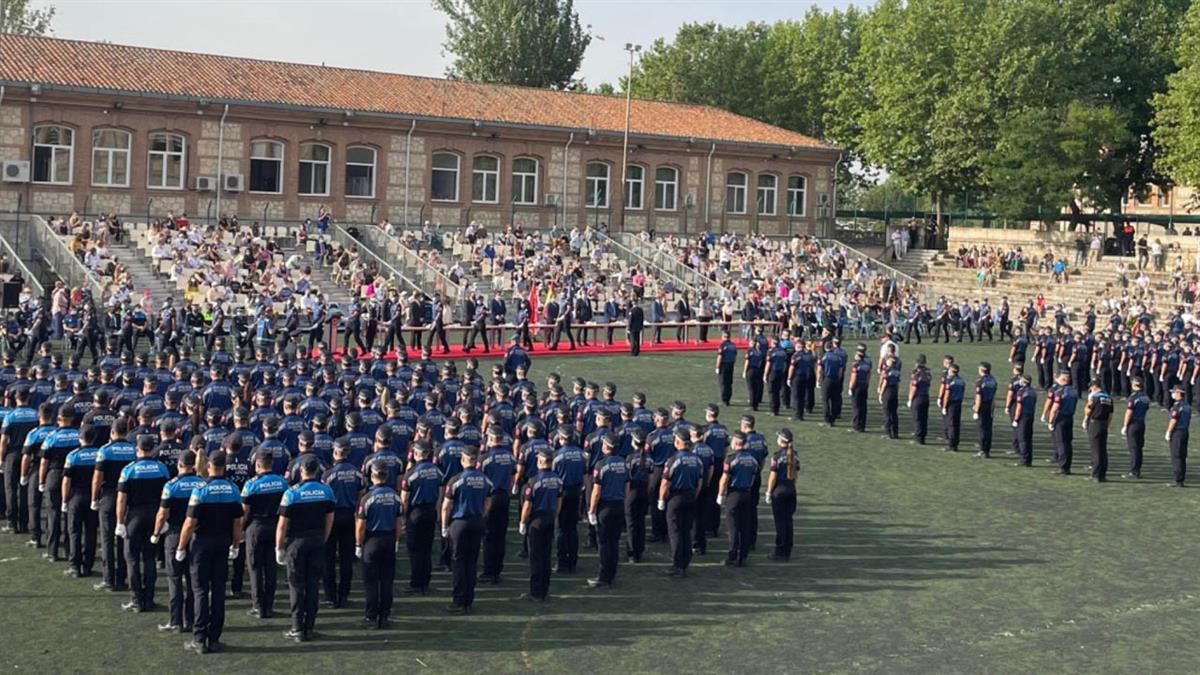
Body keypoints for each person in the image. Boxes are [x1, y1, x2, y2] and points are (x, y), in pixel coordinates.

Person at [175, 450, 244, 654]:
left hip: (201, 545)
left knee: (200, 590)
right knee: (219, 590)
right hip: (222, 543)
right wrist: (235, 544)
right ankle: (214, 638)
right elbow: (237, 523)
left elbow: (189, 523)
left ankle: (199, 638)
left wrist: (180, 546)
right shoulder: (233, 489)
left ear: (209, 466)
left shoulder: (201, 490)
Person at [276, 456, 335, 643]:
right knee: (312, 585)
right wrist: (323, 538)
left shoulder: (292, 493)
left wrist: (279, 547)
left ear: (301, 470)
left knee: (296, 585)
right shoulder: (326, 491)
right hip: (317, 539)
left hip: (297, 543)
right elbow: (329, 519)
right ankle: (309, 627)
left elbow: (282, 525)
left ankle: (297, 627)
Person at [151, 448, 205, 633]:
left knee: (174, 579)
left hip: (174, 534)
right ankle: (190, 620)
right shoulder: (202, 484)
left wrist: (156, 533)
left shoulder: (171, 485)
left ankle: (175, 621)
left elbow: (162, 514)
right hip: (196, 536)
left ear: (179, 464)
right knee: (192, 579)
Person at [116, 434, 170, 612]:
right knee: (149, 558)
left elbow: (122, 499)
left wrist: (119, 521)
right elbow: (166, 497)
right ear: (153, 449)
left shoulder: (129, 470)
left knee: (131, 558)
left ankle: (136, 599)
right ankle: (149, 598)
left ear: (137, 449)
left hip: (134, 517)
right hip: (154, 516)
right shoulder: (162, 469)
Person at [441, 447, 492, 613]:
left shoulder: (455, 480)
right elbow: (487, 503)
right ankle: (469, 600)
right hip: (476, 521)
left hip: (460, 523)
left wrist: (444, 526)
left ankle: (459, 601)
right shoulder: (485, 480)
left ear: (463, 460)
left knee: (458, 563)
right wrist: (481, 516)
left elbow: (446, 506)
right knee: (472, 562)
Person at [241, 453, 288, 619]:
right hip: (275, 527)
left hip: (256, 527)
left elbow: (245, 512)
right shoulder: (282, 482)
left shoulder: (251, 485)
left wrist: (241, 529)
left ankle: (258, 606)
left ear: (257, 465)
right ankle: (269, 605)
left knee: (255, 568)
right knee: (271, 568)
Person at [355, 463, 402, 629]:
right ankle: (385, 615)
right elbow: (398, 522)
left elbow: (361, 525)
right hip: (389, 539)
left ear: (372, 476)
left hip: (372, 541)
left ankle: (371, 616)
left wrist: (358, 544)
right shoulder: (395, 496)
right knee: (387, 580)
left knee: (371, 582)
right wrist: (396, 540)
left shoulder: (367, 498)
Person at [658, 426, 705, 578]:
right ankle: (685, 563)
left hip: (676, 498)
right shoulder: (697, 459)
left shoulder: (673, 460)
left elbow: (665, 483)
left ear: (677, 442)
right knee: (686, 531)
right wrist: (694, 495)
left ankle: (677, 564)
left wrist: (661, 499)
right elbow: (700, 482)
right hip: (691, 496)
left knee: (675, 532)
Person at [322, 439, 365, 608]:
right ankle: (344, 594)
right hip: (350, 517)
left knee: (329, 558)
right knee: (347, 558)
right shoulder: (357, 473)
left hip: (331, 517)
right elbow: (361, 496)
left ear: (335, 452)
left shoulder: (327, 474)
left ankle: (330, 596)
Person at [519, 449, 562, 601]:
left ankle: (535, 592)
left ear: (540, 462)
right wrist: (554, 516)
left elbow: (527, 506)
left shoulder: (534, 481)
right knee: (546, 555)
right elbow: (558, 502)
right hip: (549, 518)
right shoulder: (557, 479)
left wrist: (523, 522)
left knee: (535, 558)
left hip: (536, 520)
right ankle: (545, 590)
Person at [587, 433, 628, 589]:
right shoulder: (624, 463)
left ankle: (604, 577)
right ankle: (612, 575)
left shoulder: (601, 465)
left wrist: (591, 510)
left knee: (604, 543)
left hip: (605, 507)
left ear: (606, 446)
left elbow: (596, 491)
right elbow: (626, 487)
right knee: (614, 543)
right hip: (619, 505)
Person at [400, 442, 440, 594]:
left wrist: (403, 517)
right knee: (427, 548)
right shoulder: (436, 471)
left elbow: (404, 498)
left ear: (416, 454)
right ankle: (425, 581)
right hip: (431, 510)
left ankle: (416, 582)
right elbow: (441, 493)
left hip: (415, 513)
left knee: (415, 549)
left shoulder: (411, 473)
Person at [717, 431, 757, 567]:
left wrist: (720, 495)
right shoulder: (752, 460)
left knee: (733, 528)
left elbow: (724, 479)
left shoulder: (730, 459)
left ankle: (732, 556)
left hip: (734, 494)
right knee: (745, 526)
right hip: (747, 493)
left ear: (735, 442)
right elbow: (752, 478)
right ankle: (743, 556)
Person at [766, 429, 798, 561]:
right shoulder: (795, 455)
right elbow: (796, 475)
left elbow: (773, 476)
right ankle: (787, 550)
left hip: (779, 491)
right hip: (791, 489)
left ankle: (780, 552)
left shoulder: (777, 456)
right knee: (788, 521)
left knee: (780, 523)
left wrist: (768, 491)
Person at [1045, 371, 1078, 475]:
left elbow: (1055, 408)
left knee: (1061, 443)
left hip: (1060, 418)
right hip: (1070, 417)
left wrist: (1050, 421)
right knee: (1068, 443)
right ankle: (1067, 465)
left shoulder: (1060, 392)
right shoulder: (1074, 391)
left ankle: (1063, 467)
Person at [1082, 378, 1113, 482]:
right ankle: (1103, 474)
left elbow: (1088, 411)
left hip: (1095, 424)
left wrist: (1085, 420)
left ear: (1095, 386)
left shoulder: (1095, 398)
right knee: (1103, 450)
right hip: (1104, 424)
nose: (1090, 389)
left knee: (1096, 450)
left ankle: (1096, 475)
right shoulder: (1108, 398)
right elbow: (1110, 415)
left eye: (1091, 387)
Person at [1120, 377, 1149, 479]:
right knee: (1139, 448)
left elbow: (1129, 412)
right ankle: (1137, 469)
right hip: (1142, 423)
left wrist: (1125, 425)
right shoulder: (1145, 396)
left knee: (1133, 448)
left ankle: (1134, 471)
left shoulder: (1133, 397)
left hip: (1134, 424)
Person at [1166, 385, 1190, 487]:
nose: (1173, 394)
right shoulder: (1187, 405)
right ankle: (1181, 478)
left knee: (1176, 456)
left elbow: (1173, 420)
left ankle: (1178, 479)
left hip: (1178, 432)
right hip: (1185, 431)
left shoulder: (1177, 406)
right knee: (1182, 456)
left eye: (1174, 392)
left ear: (1179, 393)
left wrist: (1168, 432)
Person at [1011, 375, 1037, 467]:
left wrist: (1016, 419)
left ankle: (1024, 460)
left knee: (1022, 439)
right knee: (1028, 438)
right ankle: (1028, 459)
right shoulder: (1033, 391)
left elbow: (1019, 407)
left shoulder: (1021, 392)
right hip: (1031, 415)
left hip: (1023, 417)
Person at [973, 362, 997, 458]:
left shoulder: (980, 381)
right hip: (990, 405)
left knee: (981, 429)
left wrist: (976, 411)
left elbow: (979, 397)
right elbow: (993, 397)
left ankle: (982, 450)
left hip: (982, 406)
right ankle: (987, 450)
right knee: (988, 429)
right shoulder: (993, 380)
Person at [939, 364, 965, 452]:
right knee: (956, 424)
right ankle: (955, 444)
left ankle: (952, 445)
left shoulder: (950, 381)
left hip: (951, 404)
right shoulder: (961, 380)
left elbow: (947, 395)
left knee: (951, 425)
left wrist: (944, 406)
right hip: (958, 403)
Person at [715, 331, 737, 406]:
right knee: (729, 383)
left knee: (723, 383)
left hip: (724, 365)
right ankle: (728, 399)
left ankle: (724, 399)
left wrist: (717, 367)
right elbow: (734, 356)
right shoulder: (733, 345)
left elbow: (720, 357)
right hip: (731, 364)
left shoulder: (722, 345)